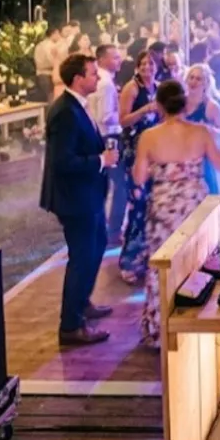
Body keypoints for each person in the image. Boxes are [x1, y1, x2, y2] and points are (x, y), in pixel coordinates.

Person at [133, 80, 220, 348]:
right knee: (196, 263)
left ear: (159, 105)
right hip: (193, 207)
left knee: (162, 267)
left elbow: (139, 177)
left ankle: (160, 329)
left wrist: (156, 169)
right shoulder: (201, 132)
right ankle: (198, 326)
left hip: (164, 210)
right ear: (184, 103)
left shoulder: (149, 137)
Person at [40, 54, 119, 346]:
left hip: (88, 195)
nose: (98, 77)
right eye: (92, 73)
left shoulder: (77, 106)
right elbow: (62, 162)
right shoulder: (65, 111)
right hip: (75, 198)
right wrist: (101, 160)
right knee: (82, 258)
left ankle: (82, 302)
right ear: (77, 79)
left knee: (97, 246)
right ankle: (71, 326)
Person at [118, 52, 161, 284]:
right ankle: (128, 262)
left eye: (151, 63)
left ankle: (147, 258)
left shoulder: (159, 87)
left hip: (154, 153)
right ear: (137, 67)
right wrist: (145, 110)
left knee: (150, 206)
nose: (147, 67)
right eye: (143, 64)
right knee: (137, 206)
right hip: (134, 154)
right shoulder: (132, 88)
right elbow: (123, 120)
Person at [87, 44, 126, 244]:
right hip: (108, 137)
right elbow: (106, 116)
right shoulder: (106, 84)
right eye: (115, 57)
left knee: (104, 185)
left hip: (98, 136)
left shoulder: (100, 80)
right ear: (102, 59)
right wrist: (126, 115)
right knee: (120, 185)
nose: (119, 61)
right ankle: (114, 231)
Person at [184, 64, 220, 195]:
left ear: (206, 83)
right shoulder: (179, 103)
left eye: (198, 79)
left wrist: (210, 130)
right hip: (181, 161)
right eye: (191, 77)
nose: (194, 81)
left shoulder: (212, 106)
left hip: (203, 163)